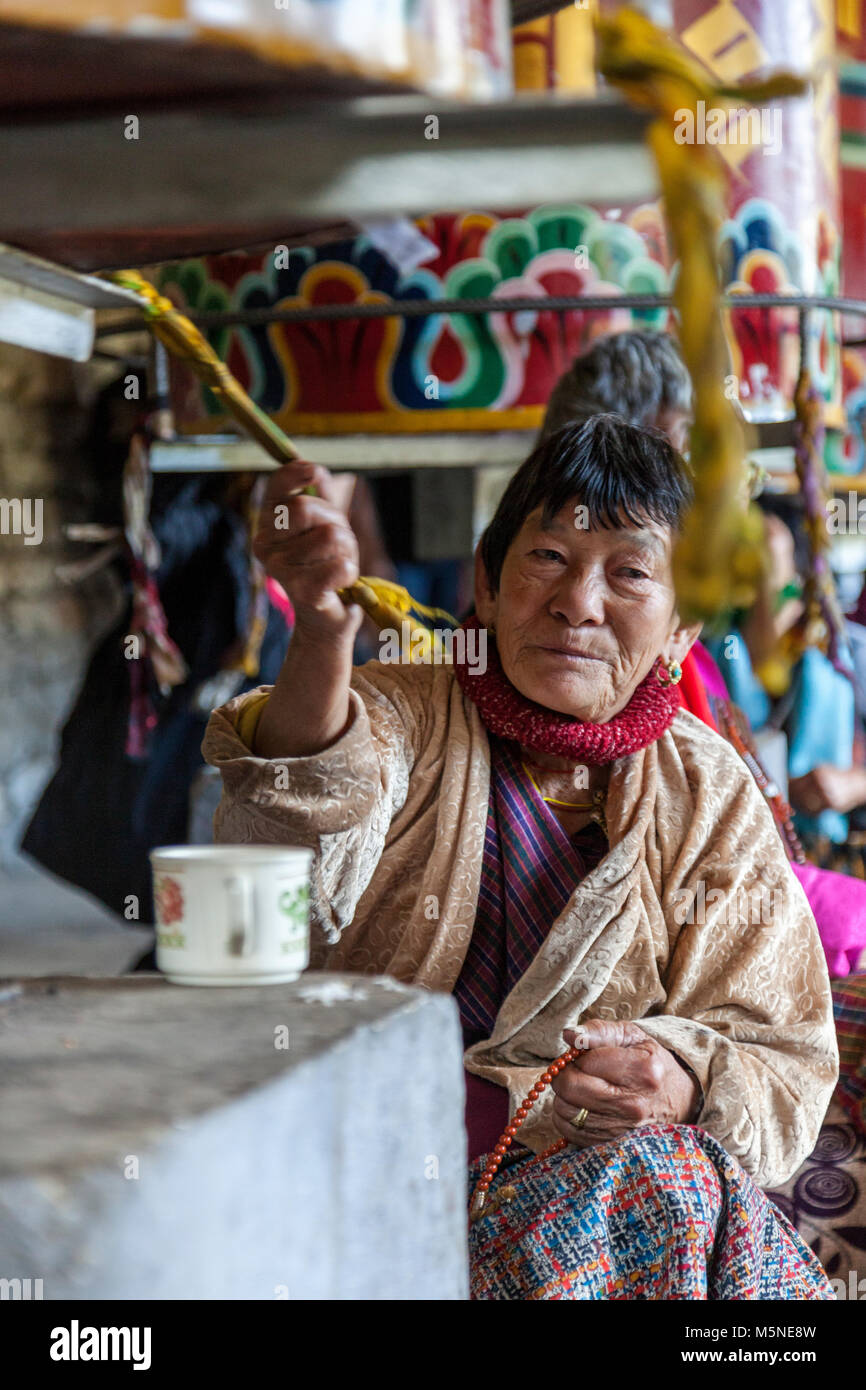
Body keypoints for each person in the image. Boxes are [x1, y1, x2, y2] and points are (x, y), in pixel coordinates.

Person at [203, 415, 838, 1300]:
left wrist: (683, 1078)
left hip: (607, 1196)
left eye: (629, 572)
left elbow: (786, 1060)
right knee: (674, 1192)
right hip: (372, 1164)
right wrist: (319, 628)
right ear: (487, 585)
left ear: (684, 626)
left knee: (677, 1182)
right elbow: (301, 807)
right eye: (548, 557)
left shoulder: (707, 788)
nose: (579, 601)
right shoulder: (403, 710)